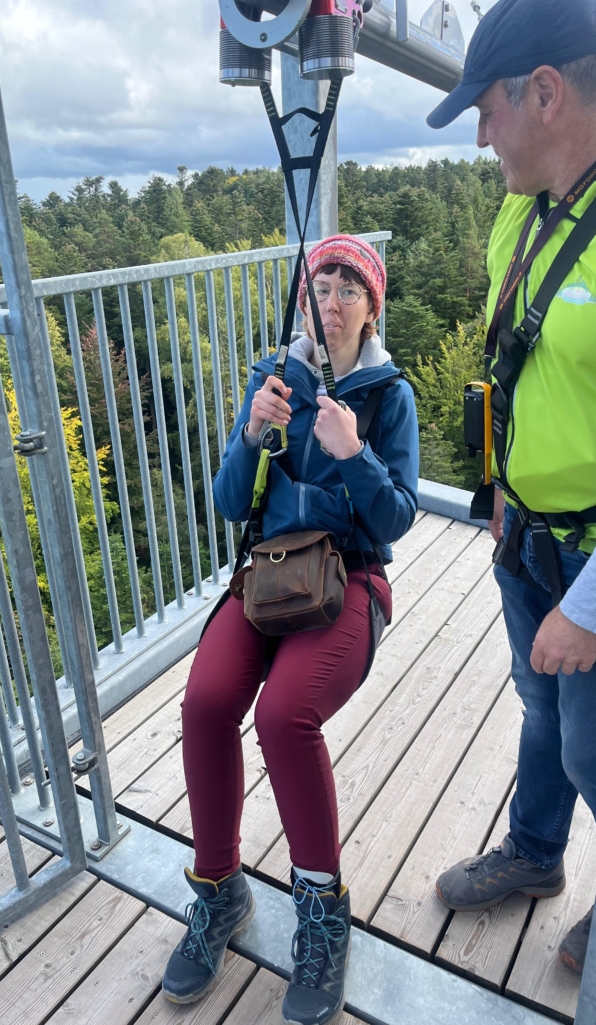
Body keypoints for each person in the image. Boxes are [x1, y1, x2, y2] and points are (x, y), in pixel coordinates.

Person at [428, 0, 596, 976]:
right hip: (521, 531)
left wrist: (595, 599)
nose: (480, 135)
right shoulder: (520, 209)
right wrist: (492, 483)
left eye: (484, 110)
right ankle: (535, 857)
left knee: (592, 751)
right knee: (539, 711)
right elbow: (501, 364)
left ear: (542, 93)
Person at [161, 235, 419, 1023]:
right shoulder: (274, 380)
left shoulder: (386, 396)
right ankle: (218, 889)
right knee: (205, 703)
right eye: (321, 287)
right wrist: (249, 435)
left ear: (371, 306)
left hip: (348, 580)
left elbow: (396, 518)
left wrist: (351, 455)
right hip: (270, 574)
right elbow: (232, 503)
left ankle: (320, 910)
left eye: (348, 288)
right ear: (306, 303)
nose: (331, 301)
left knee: (283, 714)